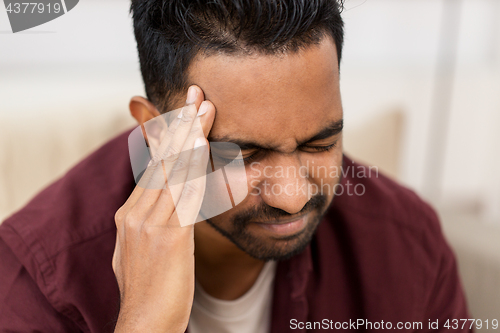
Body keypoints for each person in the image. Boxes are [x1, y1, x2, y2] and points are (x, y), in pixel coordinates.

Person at [0, 0, 471, 332]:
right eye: (245, 155)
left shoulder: (407, 246)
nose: (293, 197)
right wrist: (146, 324)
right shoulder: (41, 280)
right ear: (156, 133)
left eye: (319, 143)